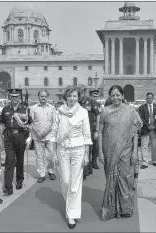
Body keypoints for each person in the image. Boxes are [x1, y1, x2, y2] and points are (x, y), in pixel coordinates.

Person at [98, 85, 143, 221]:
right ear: (110, 97)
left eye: (118, 95)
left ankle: (125, 208)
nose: (115, 98)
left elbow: (135, 133)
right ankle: (111, 208)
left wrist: (135, 152)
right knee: (111, 180)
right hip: (109, 151)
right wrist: (100, 151)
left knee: (125, 179)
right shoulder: (105, 111)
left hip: (126, 151)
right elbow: (100, 132)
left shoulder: (131, 111)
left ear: (123, 96)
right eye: (113, 95)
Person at [50, 85, 92, 229]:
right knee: (66, 181)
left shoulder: (83, 112)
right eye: (70, 96)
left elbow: (87, 135)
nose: (72, 99)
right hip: (62, 149)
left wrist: (86, 155)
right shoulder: (59, 112)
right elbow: (54, 133)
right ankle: (71, 204)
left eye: (75, 96)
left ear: (78, 97)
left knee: (75, 183)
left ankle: (72, 215)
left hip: (78, 150)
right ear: (65, 97)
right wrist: (53, 153)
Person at [0, 89, 31, 196]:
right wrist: (0, 139)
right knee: (9, 160)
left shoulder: (25, 109)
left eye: (16, 96)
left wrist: (29, 137)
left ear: (20, 98)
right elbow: (2, 124)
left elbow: (30, 124)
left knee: (20, 159)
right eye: (12, 96)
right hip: (9, 136)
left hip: (21, 135)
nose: (14, 99)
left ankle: (19, 180)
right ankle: (8, 187)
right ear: (9, 97)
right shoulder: (5, 109)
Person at [29, 90, 56, 183]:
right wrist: (37, 132)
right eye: (41, 96)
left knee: (51, 155)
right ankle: (41, 174)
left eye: (45, 96)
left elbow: (54, 122)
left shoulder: (52, 108)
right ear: (38, 97)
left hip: (49, 136)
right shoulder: (33, 108)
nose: (43, 98)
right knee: (39, 156)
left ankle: (51, 171)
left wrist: (45, 132)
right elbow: (30, 122)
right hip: (37, 136)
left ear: (47, 97)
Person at [78, 85, 100, 179]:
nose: (80, 95)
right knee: (80, 151)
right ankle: (85, 168)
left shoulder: (91, 101)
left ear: (85, 92)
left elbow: (98, 115)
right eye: (79, 93)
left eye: (82, 93)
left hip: (89, 129)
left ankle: (86, 170)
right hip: (78, 130)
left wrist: (97, 131)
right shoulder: (75, 101)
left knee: (88, 150)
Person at [138, 92, 156, 168]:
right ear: (146, 98)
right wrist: (148, 125)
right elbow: (141, 118)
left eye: (150, 98)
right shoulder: (142, 107)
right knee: (144, 146)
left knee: (155, 146)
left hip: (155, 129)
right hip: (145, 129)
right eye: (147, 98)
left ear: (153, 98)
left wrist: (154, 126)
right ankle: (145, 163)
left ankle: (155, 161)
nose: (149, 99)